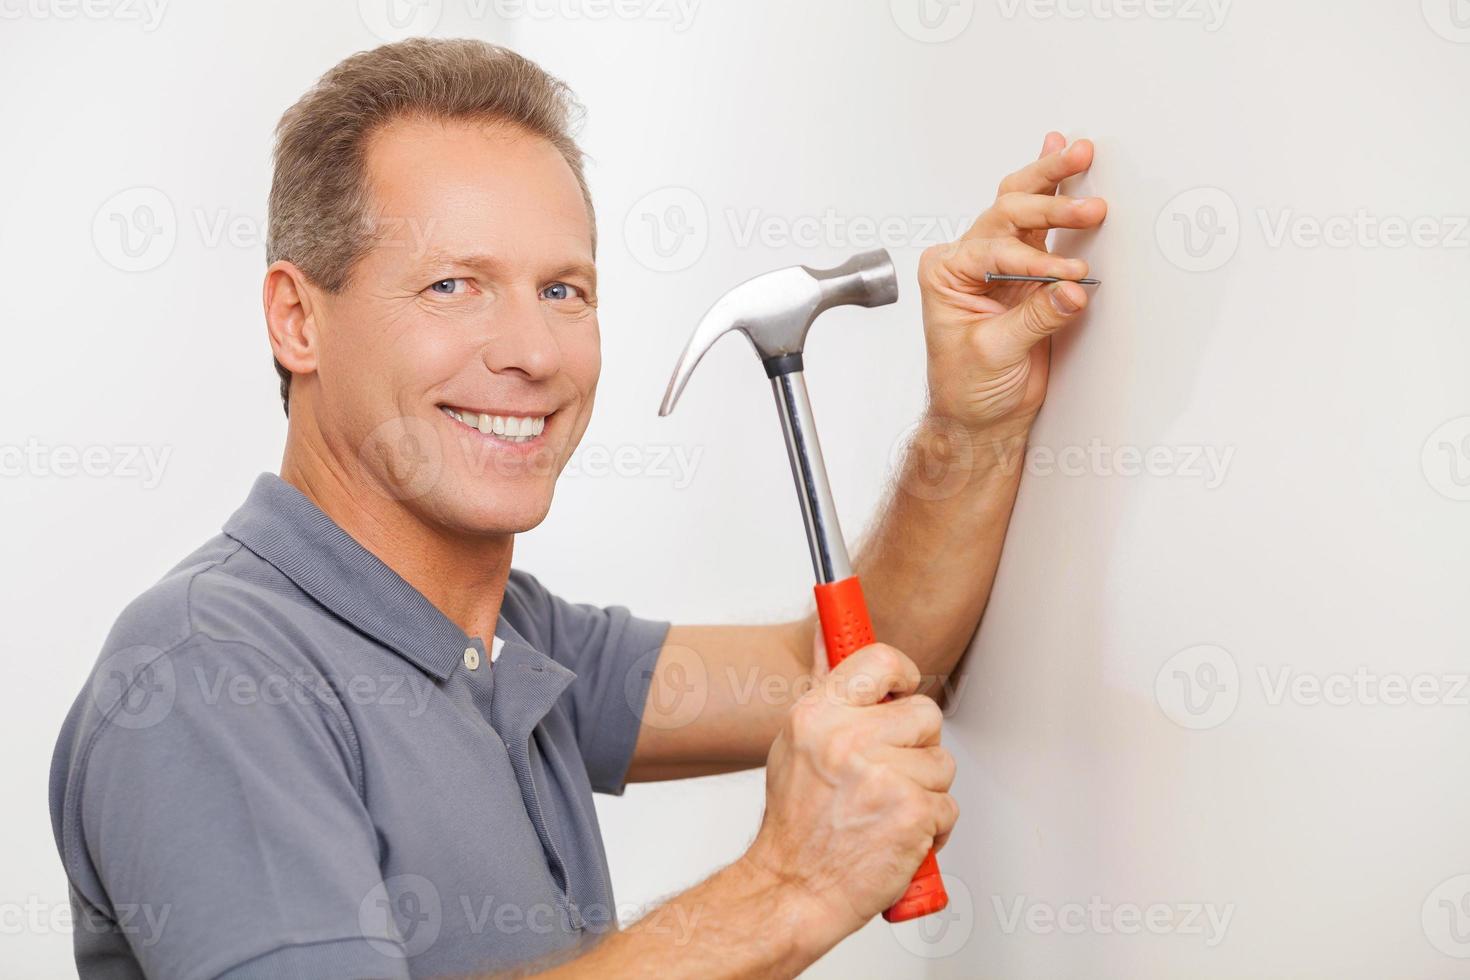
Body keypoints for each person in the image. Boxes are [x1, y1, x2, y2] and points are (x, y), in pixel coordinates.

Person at [48, 37, 1107, 979]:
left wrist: (972, 420)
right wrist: (785, 888)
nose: (534, 352)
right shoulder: (208, 675)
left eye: (563, 289)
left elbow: (861, 662)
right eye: (452, 285)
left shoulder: (509, 639)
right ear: (297, 319)